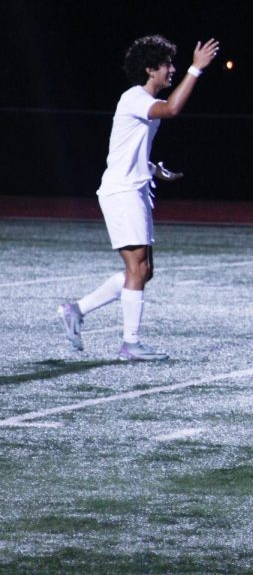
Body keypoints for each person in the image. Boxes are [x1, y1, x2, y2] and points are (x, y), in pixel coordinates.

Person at [57, 35, 220, 361]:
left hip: (136, 189)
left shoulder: (141, 103)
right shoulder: (134, 97)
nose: (172, 70)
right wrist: (196, 70)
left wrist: (153, 169)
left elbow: (125, 149)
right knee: (137, 267)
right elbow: (173, 108)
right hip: (123, 192)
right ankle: (129, 344)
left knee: (144, 271)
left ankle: (76, 310)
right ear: (149, 69)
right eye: (167, 65)